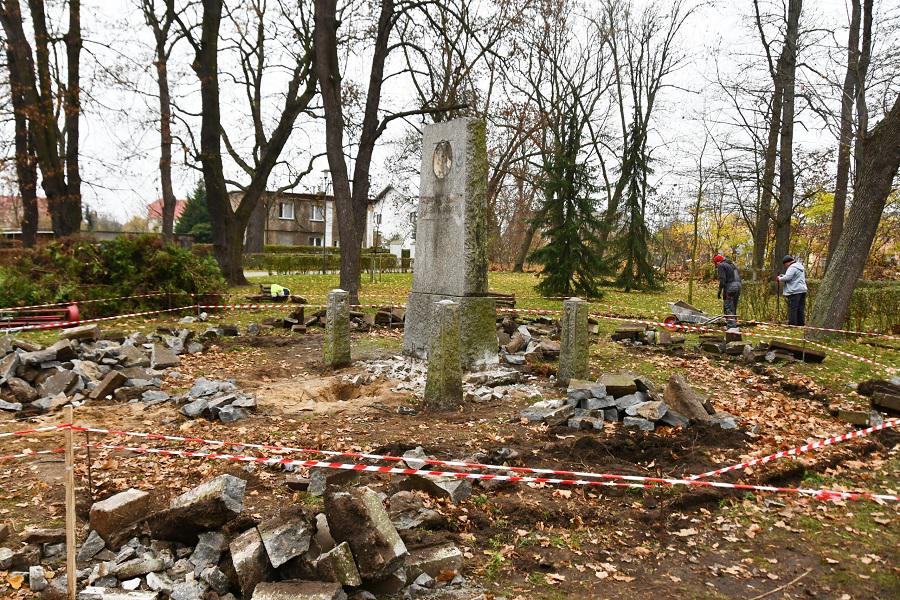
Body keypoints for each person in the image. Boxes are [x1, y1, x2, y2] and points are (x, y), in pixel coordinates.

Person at [777, 255, 808, 326]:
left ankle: (792, 324)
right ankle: (801, 324)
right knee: (800, 308)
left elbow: (788, 277)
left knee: (793, 309)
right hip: (802, 290)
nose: (785, 266)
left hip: (794, 291)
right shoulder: (799, 267)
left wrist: (779, 278)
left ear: (787, 263)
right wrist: (783, 276)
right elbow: (793, 277)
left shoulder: (792, 267)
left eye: (785, 265)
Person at [713, 254, 741, 328]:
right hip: (738, 285)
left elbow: (722, 279)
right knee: (734, 306)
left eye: (715, 263)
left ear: (717, 262)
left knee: (728, 307)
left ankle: (731, 327)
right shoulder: (732, 264)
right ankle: (734, 324)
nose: (716, 266)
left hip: (730, 287)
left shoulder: (721, 265)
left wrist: (719, 291)